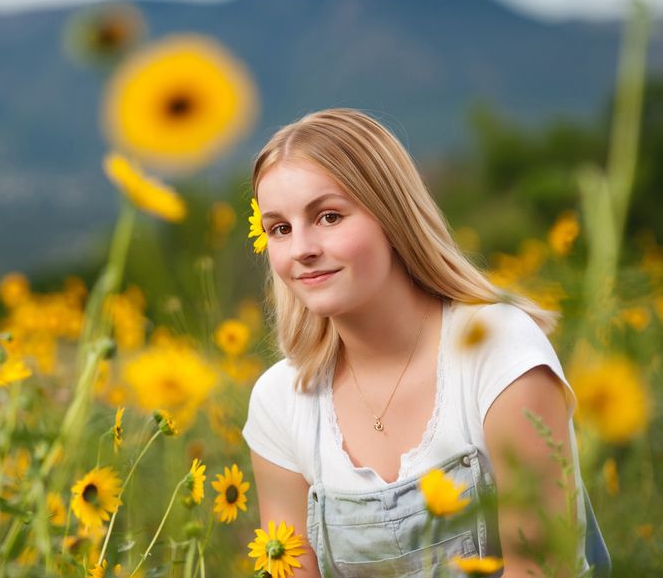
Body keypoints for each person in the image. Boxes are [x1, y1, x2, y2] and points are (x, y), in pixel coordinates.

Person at [242, 108, 609, 577]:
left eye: (329, 216)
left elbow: (540, 568)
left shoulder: (497, 350)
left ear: (391, 214)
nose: (301, 249)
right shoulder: (280, 402)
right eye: (280, 228)